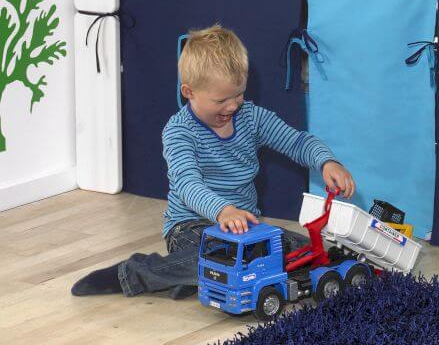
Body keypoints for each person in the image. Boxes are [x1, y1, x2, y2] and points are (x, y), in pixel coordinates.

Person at [71, 24, 355, 298]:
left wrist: (326, 162)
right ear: (189, 92)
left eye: (239, 94)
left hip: (246, 231)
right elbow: (187, 185)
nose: (232, 105)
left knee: (302, 251)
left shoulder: (252, 118)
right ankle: (133, 273)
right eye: (221, 100)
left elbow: (297, 142)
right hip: (191, 227)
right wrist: (223, 211)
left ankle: (197, 281)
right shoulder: (179, 132)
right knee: (219, 258)